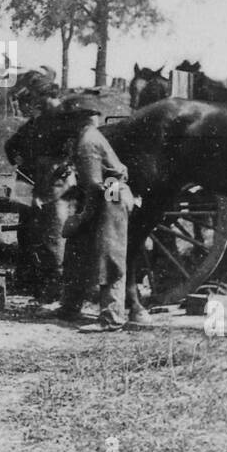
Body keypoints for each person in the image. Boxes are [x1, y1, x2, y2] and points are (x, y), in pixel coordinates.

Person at [56, 96, 151, 330]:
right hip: (107, 193)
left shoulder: (87, 142)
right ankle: (70, 307)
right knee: (77, 248)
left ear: (77, 120)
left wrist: (82, 218)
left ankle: (112, 318)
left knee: (110, 257)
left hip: (112, 196)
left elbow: (94, 188)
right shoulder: (87, 137)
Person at [4, 74, 71, 304]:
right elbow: (10, 146)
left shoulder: (61, 121)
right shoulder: (35, 124)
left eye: (39, 98)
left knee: (52, 236)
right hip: (28, 182)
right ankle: (30, 279)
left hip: (52, 186)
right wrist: (21, 163)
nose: (36, 104)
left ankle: (53, 289)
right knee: (28, 233)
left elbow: (64, 158)